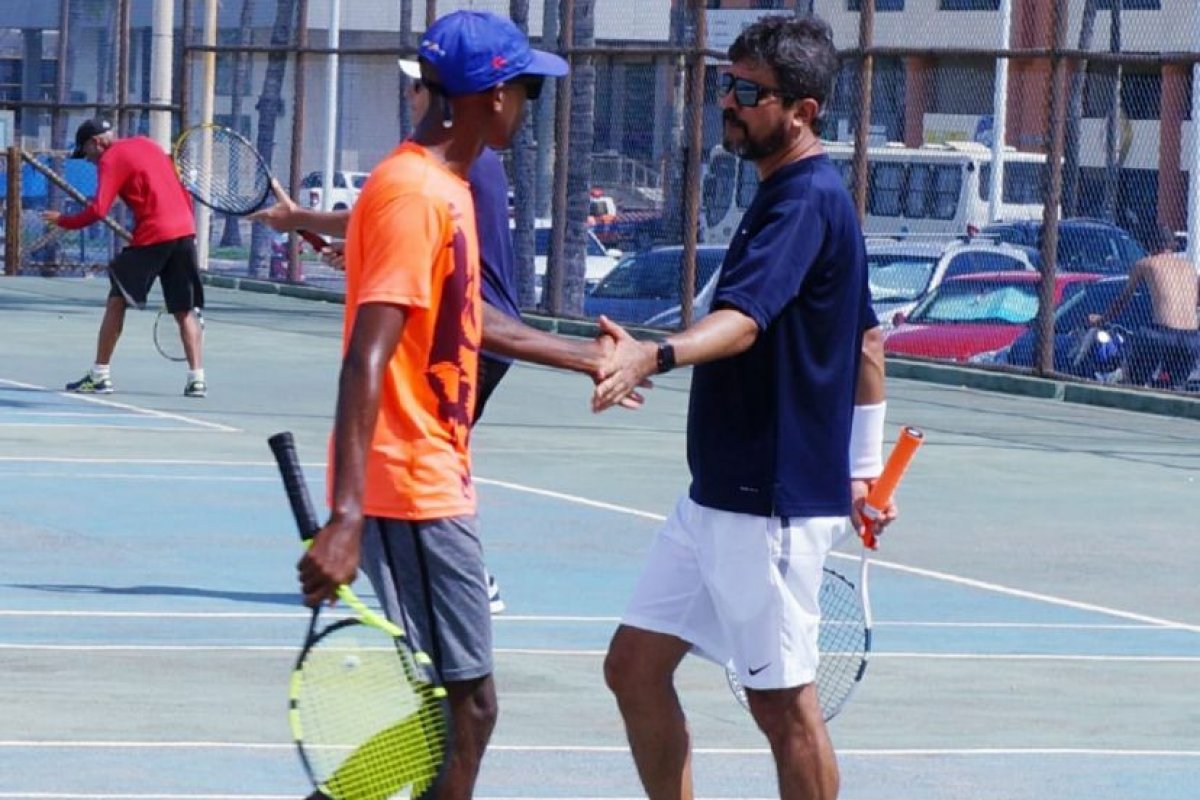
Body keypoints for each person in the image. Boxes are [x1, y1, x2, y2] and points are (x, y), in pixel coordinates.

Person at [592, 15, 892, 800]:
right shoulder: (796, 194)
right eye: (725, 85)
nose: (728, 103)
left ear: (803, 110)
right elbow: (867, 344)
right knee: (632, 668)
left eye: (749, 93)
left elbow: (746, 320)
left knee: (784, 708)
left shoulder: (803, 200)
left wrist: (652, 356)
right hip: (716, 498)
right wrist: (862, 473)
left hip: (768, 505)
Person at [252, 57, 643, 615]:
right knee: (429, 460)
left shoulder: (456, 165)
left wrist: (308, 223)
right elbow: (398, 231)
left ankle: (456, 574)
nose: (413, 95)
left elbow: (401, 234)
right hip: (478, 330)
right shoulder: (434, 172)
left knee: (425, 457)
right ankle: (405, 561)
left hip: (479, 334)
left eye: (419, 86)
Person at [294, 12, 569, 800]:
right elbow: (365, 358)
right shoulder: (418, 191)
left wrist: (588, 355)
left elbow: (469, 321)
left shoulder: (445, 186)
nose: (528, 105)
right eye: (524, 89)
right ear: (488, 96)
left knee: (454, 711)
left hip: (429, 475)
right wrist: (346, 515)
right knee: (468, 707)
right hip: (408, 485)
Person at [44, 117, 207, 397]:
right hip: (185, 231)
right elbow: (179, 190)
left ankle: (100, 375)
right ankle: (197, 380)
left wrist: (63, 221)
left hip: (157, 234)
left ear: (97, 143)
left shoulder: (110, 158)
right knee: (184, 310)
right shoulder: (148, 144)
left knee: (116, 301)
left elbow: (98, 210)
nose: (89, 161)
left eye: (86, 154)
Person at [1088, 224, 1200, 390]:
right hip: (1191, 337)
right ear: (1173, 245)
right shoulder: (1190, 268)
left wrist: (1102, 319)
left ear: (1150, 245)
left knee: (1135, 382)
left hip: (1160, 333)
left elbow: (1123, 300)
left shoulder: (1145, 264)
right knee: (1176, 386)